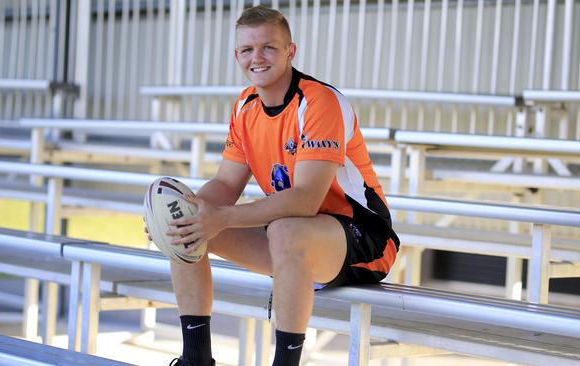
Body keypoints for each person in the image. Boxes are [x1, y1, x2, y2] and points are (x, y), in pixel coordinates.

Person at [159, 5, 400, 366]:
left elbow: (305, 199)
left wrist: (222, 217)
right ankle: (196, 359)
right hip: (293, 240)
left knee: (287, 230)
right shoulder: (245, 105)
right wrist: (182, 213)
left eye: (269, 47)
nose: (257, 58)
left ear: (290, 51)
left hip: (362, 239)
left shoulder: (319, 102)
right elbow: (226, 182)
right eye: (247, 50)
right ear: (236, 55)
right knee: (184, 226)